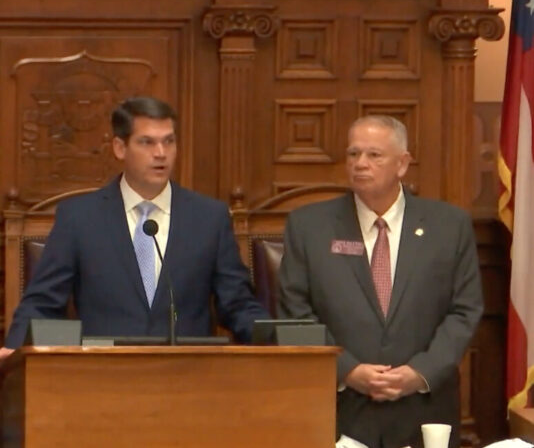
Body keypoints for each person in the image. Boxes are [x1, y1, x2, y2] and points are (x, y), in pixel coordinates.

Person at [1, 96, 269, 356]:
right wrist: (12, 353)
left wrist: (274, 343)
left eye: (169, 141)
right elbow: (43, 302)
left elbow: (237, 303)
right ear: (120, 148)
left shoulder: (209, 217)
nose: (161, 153)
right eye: (147, 142)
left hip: (188, 376)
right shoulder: (80, 218)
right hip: (101, 377)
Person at [278, 115, 483, 448]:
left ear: (402, 164)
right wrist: (347, 371)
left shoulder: (449, 226)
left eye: (374, 155)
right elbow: (294, 313)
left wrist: (420, 374)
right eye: (353, 154)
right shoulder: (309, 227)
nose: (360, 164)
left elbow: (465, 311)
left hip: (423, 410)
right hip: (338, 409)